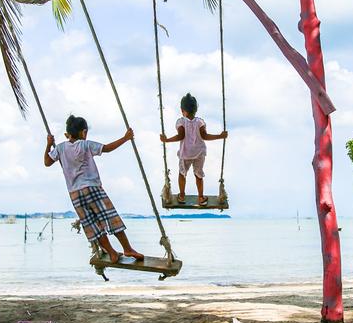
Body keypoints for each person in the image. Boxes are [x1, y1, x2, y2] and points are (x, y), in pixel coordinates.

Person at [44, 115, 144, 264]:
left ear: (67, 134)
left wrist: (48, 144)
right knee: (110, 217)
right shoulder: (85, 145)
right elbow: (107, 148)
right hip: (92, 188)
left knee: (92, 225)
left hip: (75, 194)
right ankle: (127, 248)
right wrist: (126, 138)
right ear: (83, 133)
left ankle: (111, 252)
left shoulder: (60, 148)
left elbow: (47, 162)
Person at [160, 93, 227, 206]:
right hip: (199, 153)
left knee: (182, 174)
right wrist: (219, 136)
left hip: (185, 154)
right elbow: (205, 136)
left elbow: (181, 136)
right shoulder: (200, 122)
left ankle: (181, 196)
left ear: (182, 110)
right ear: (196, 109)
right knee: (198, 175)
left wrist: (167, 140)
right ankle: (201, 197)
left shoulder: (181, 122)